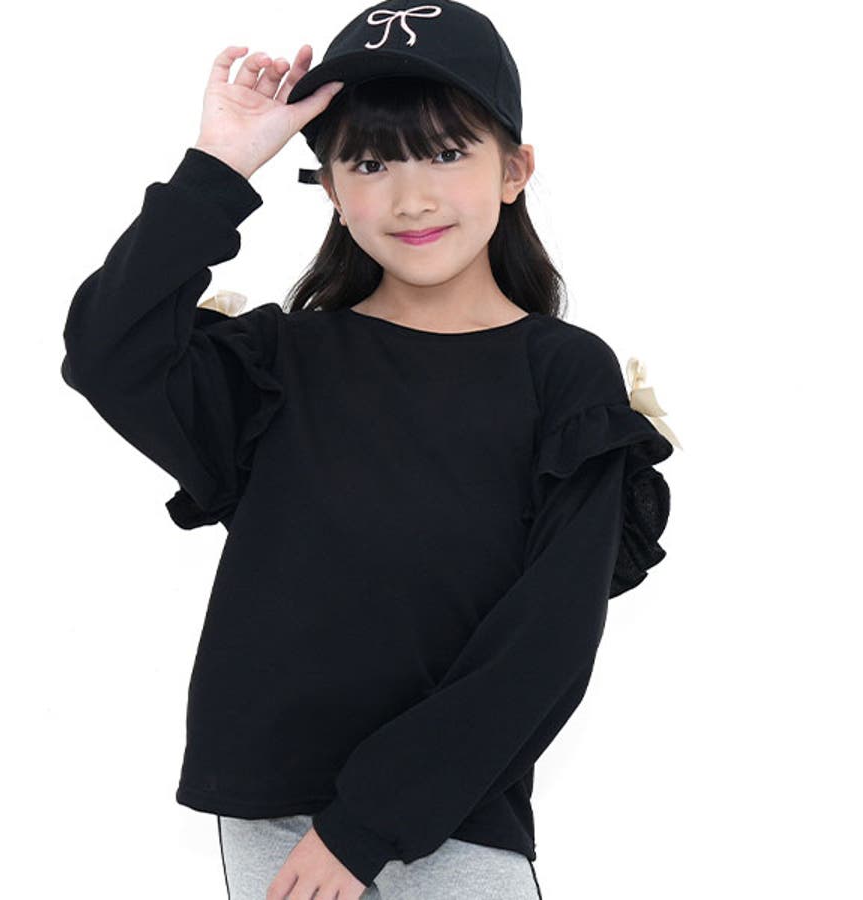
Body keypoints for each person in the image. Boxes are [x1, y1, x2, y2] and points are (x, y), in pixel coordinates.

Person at [59, 1, 680, 897]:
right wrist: (219, 168)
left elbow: (548, 642)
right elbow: (107, 352)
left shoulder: (564, 375)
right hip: (274, 806)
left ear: (514, 170)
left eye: (447, 152)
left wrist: (365, 827)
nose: (411, 197)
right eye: (370, 161)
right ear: (331, 189)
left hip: (453, 809)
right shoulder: (282, 362)